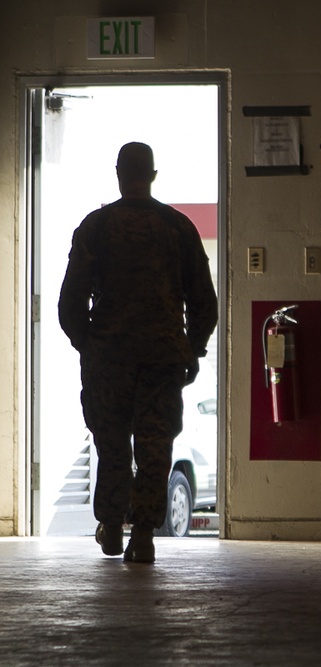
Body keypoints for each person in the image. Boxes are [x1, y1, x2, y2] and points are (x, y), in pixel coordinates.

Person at [58, 142, 218, 563]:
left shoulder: (96, 226)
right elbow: (205, 301)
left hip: (109, 358)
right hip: (162, 358)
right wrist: (192, 348)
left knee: (111, 443)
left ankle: (111, 527)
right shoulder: (178, 228)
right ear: (152, 175)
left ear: (118, 173)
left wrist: (88, 346)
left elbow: (70, 301)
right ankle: (143, 535)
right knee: (154, 445)